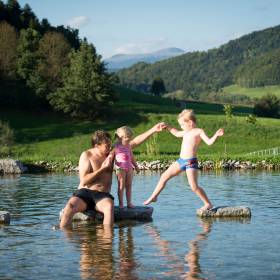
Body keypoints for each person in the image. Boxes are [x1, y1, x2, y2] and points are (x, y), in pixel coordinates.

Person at [60, 123, 166, 228]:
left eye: (110, 144)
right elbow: (84, 181)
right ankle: (65, 236)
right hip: (85, 193)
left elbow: (134, 141)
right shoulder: (87, 155)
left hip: (102, 195)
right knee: (70, 206)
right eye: (106, 145)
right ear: (97, 145)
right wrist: (102, 169)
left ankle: (106, 241)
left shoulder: (113, 152)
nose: (110, 147)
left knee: (109, 207)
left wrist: (153, 130)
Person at [143, 109, 224, 210]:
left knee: (194, 187)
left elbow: (209, 142)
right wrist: (167, 126)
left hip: (191, 162)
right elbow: (176, 133)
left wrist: (216, 135)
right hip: (181, 161)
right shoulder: (185, 132)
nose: (181, 127)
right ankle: (154, 196)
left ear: (190, 122)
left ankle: (208, 203)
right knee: (164, 176)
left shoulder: (198, 131)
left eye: (182, 124)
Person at [113, 126, 140, 208]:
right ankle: (121, 203)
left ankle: (129, 203)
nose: (129, 141)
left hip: (129, 167)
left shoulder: (128, 146)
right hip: (120, 168)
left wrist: (136, 166)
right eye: (127, 139)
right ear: (120, 138)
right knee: (121, 185)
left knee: (129, 185)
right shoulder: (115, 146)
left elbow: (131, 156)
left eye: (130, 139)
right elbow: (110, 157)